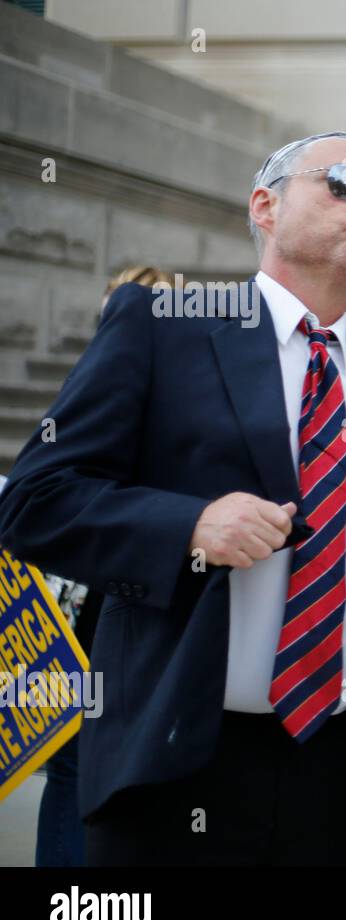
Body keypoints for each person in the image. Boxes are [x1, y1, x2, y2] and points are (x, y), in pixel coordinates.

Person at [0, 131, 346, 865]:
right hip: (182, 763)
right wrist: (189, 525)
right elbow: (35, 500)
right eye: (344, 181)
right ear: (266, 205)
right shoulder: (160, 328)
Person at [27, 266, 172, 867]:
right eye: (114, 310)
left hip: (121, 607)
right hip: (77, 610)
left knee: (87, 765)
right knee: (72, 765)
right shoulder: (98, 389)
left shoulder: (166, 401)